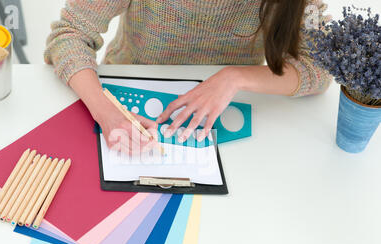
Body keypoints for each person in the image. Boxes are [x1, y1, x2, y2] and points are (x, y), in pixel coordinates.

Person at [45, 0, 331, 152]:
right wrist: (106, 112)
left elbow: (319, 67)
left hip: (228, 109)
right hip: (129, 90)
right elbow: (68, 35)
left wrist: (234, 77)